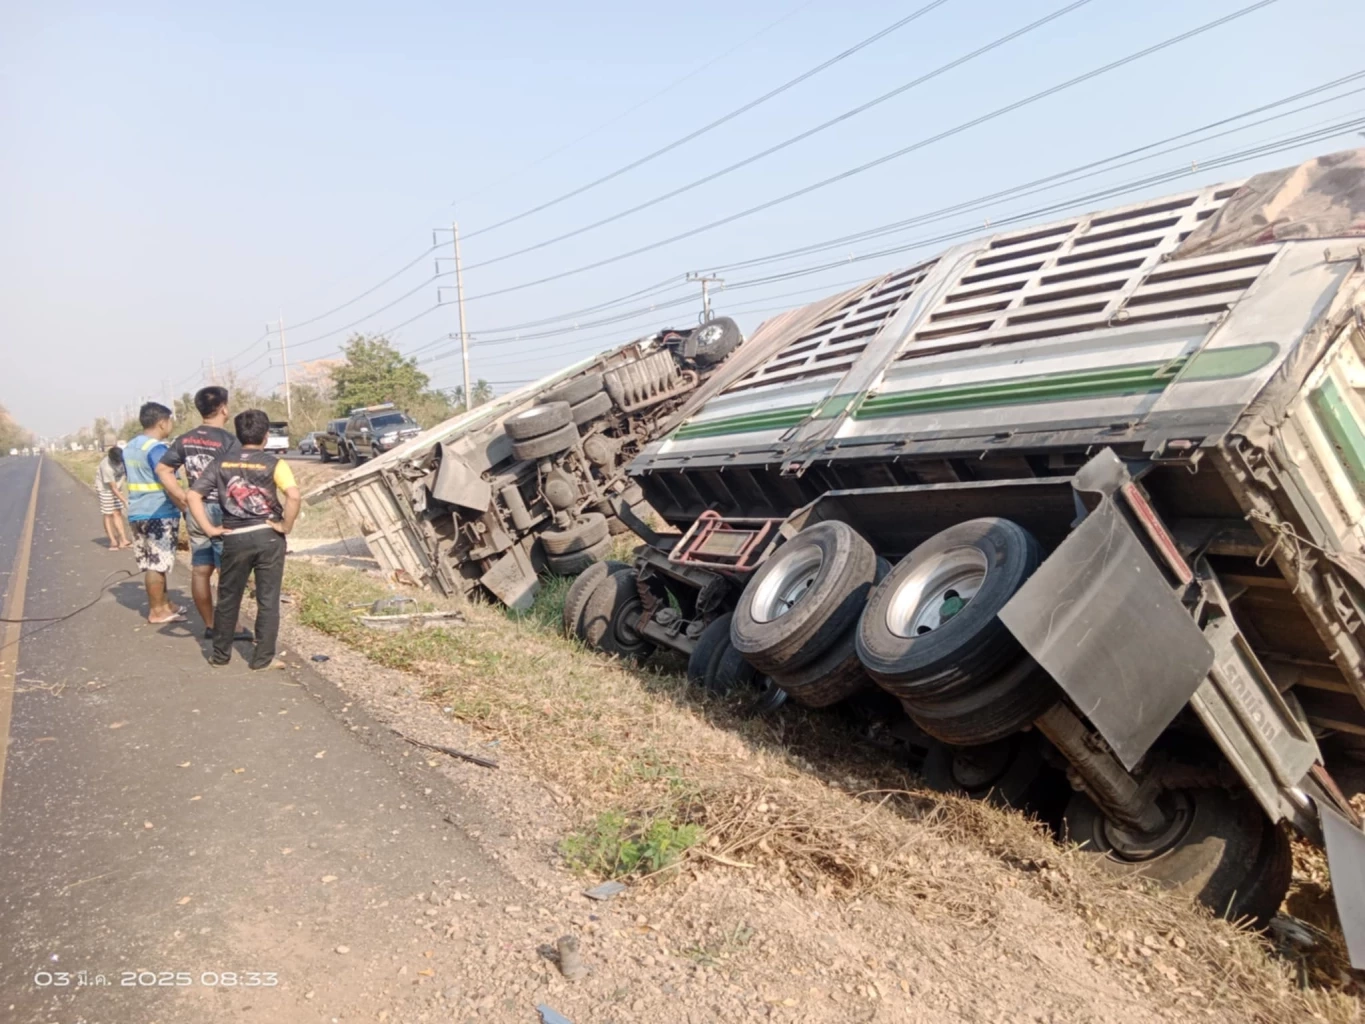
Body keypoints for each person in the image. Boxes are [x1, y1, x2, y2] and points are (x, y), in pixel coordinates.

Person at [188, 408, 300, 669]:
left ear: (238, 434)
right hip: (268, 536)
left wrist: (210, 529)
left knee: (228, 597)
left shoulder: (220, 463)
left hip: (234, 537)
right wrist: (285, 525)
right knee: (268, 599)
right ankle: (262, 659)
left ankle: (219, 656)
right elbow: (293, 496)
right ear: (266, 436)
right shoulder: (274, 463)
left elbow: (194, 495)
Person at [155, 386, 243, 638]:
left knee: (201, 570)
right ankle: (232, 626)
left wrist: (182, 496)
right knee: (228, 571)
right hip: (222, 510)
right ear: (224, 408)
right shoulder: (229, 441)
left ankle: (209, 625)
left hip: (195, 509)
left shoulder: (184, 439)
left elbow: (163, 470)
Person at [124, 402, 184, 624]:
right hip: (158, 512)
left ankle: (166, 604)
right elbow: (168, 482)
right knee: (157, 564)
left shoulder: (131, 446)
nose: (170, 424)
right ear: (162, 422)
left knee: (153, 561)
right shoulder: (156, 449)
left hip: (137, 512)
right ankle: (157, 611)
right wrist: (185, 508)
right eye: (169, 420)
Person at [95, 446, 131, 550]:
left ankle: (123, 540)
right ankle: (113, 541)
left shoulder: (123, 459)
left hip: (117, 487)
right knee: (108, 514)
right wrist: (124, 501)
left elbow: (127, 475)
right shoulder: (106, 467)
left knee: (117, 512)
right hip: (105, 489)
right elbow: (113, 488)